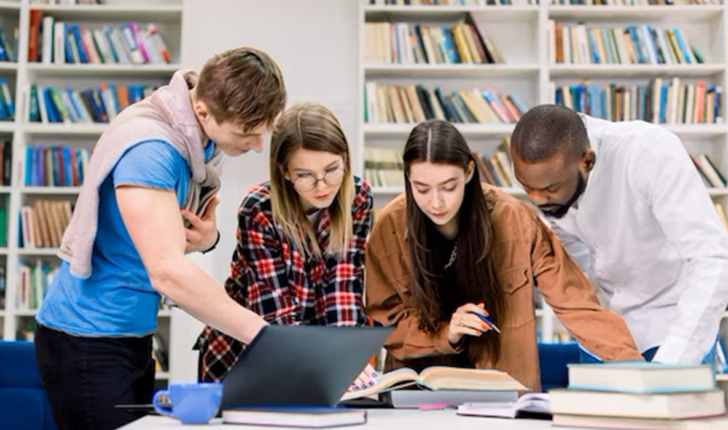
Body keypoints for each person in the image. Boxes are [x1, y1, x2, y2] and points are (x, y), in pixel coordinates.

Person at [34, 47, 287, 430]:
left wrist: (209, 238)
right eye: (246, 133)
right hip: (86, 337)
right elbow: (167, 272)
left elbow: (168, 238)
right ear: (202, 110)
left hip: (131, 333)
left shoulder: (195, 139)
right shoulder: (151, 149)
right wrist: (264, 335)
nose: (257, 145)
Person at [365, 119, 643, 391]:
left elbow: (577, 304)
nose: (436, 202)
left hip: (503, 396)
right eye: (421, 189)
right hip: (416, 397)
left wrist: (639, 372)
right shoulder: (388, 228)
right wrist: (446, 333)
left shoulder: (515, 219)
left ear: (469, 171)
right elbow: (385, 323)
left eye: (449, 186)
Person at [509, 104, 728, 365]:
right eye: (527, 187)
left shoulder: (648, 152)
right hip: (613, 331)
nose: (537, 199)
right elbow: (577, 263)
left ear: (588, 161)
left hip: (674, 326)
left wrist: (671, 366)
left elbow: (713, 258)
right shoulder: (556, 178)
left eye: (551, 188)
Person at [196, 102, 376, 390]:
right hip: (245, 358)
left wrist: (346, 360)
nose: (322, 186)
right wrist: (331, 364)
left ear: (346, 158)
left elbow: (344, 287)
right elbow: (276, 316)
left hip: (320, 355)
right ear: (285, 171)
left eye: (332, 169)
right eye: (305, 175)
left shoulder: (358, 198)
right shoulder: (259, 209)